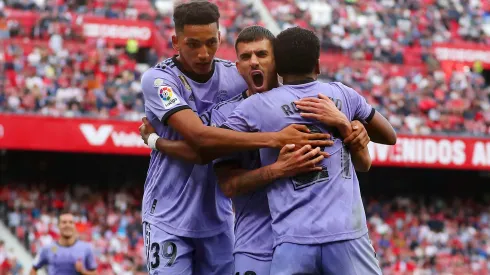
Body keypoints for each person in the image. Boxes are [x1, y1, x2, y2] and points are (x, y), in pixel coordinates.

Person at [140, 25, 395, 274]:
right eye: (245, 57)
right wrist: (277, 168)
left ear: (278, 61)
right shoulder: (229, 115)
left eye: (262, 55)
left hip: (311, 239)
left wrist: (353, 129)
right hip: (257, 244)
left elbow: (365, 161)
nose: (254, 63)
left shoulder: (323, 103)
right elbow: (224, 179)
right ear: (237, 66)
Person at [221, 27, 395, 274]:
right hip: (346, 235)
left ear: (278, 67)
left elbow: (213, 142)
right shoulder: (342, 95)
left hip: (292, 240)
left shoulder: (255, 107)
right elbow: (389, 136)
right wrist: (347, 122)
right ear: (318, 66)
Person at [30, 212, 97, 275]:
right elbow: (33, 269)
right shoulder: (47, 249)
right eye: (64, 222)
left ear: (74, 226)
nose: (67, 225)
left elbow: (95, 273)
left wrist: (83, 271)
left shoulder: (86, 248)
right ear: (58, 225)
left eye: (71, 222)